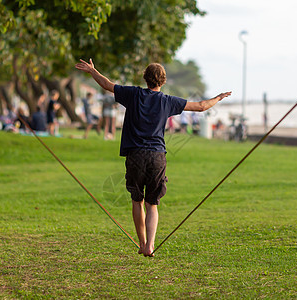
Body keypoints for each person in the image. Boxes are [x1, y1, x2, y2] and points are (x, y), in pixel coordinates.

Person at [75, 58, 231, 257]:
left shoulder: (132, 94)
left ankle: (142, 243)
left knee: (137, 200)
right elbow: (201, 106)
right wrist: (218, 98)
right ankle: (150, 245)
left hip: (135, 155)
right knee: (152, 203)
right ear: (162, 81)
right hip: (157, 156)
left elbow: (107, 85)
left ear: (145, 78)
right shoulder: (167, 101)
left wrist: (92, 71)